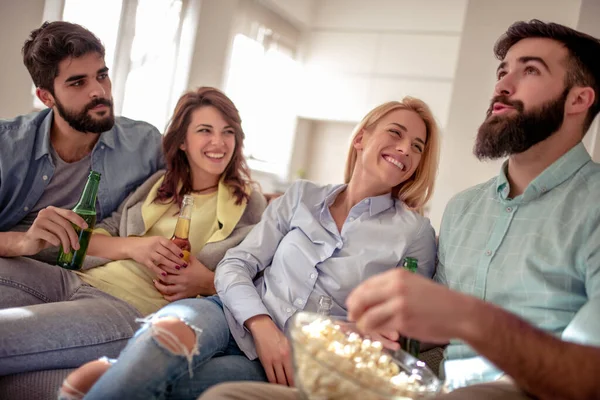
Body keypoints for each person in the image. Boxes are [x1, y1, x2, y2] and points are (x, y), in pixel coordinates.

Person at [198, 19, 600, 400]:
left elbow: (591, 375)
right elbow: (423, 336)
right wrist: (374, 331)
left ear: (579, 99)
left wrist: (469, 319)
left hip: (520, 391)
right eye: (502, 71)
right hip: (418, 389)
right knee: (224, 395)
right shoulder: (465, 209)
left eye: (529, 71)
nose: (503, 85)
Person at [63, 96, 441, 400]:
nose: (405, 149)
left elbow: (406, 328)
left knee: (192, 386)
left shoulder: (415, 233)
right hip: (231, 312)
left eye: (417, 147)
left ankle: (106, 381)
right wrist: (261, 326)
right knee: (162, 337)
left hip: (291, 360)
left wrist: (369, 334)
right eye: (395, 133)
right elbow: (236, 265)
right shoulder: (301, 197)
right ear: (361, 138)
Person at [0, 87, 267, 380]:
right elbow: (91, 239)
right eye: (205, 130)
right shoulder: (159, 184)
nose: (218, 142)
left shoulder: (248, 202)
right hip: (74, 279)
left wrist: (204, 281)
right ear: (181, 142)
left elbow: (259, 281)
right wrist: (135, 247)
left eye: (228, 132)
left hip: (127, 306)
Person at [0, 21, 164, 263]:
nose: (98, 91)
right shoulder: (7, 145)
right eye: (78, 82)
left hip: (87, 277)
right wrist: (24, 241)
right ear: (46, 97)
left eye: (102, 75)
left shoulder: (145, 144)